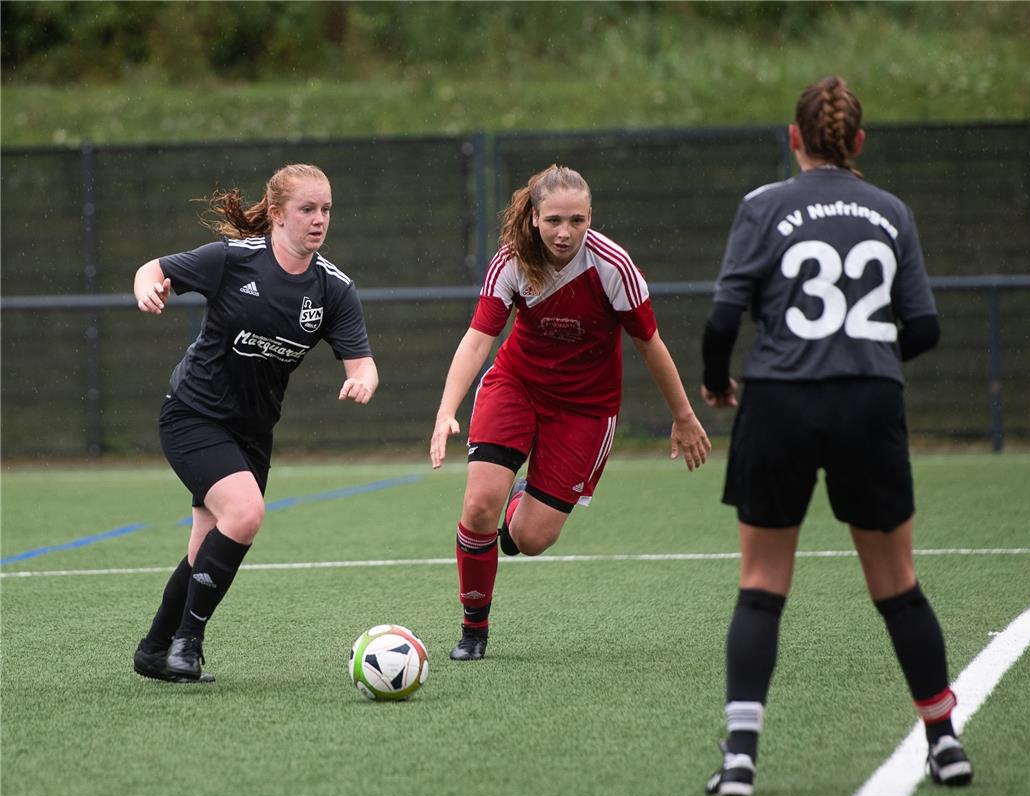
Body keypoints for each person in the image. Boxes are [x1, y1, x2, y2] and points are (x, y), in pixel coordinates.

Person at [700, 76, 972, 796]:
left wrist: (720, 383)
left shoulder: (763, 206)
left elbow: (723, 320)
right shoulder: (891, 211)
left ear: (794, 140)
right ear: (859, 142)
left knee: (761, 589)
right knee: (898, 588)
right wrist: (870, 360)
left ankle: (740, 762)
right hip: (868, 403)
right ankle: (944, 743)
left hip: (780, 403)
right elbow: (925, 328)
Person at [430, 164, 712, 661]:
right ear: (535, 217)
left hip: (586, 408)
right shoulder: (513, 261)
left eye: (577, 220)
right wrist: (446, 410)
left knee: (532, 539)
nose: (565, 232)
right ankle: (474, 629)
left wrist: (684, 415)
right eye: (554, 220)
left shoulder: (614, 268)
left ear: (590, 218)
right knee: (477, 507)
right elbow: (479, 339)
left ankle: (522, 504)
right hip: (515, 387)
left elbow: (650, 346)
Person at [131, 163, 378, 683]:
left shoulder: (333, 289)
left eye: (326, 209)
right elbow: (154, 268)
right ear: (277, 214)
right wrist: (149, 288)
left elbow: (362, 362)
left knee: (206, 545)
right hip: (192, 413)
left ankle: (155, 649)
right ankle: (186, 645)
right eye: (307, 209)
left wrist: (363, 380)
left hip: (252, 432)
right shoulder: (232, 261)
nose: (319, 220)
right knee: (245, 514)